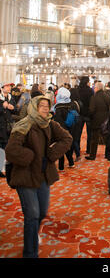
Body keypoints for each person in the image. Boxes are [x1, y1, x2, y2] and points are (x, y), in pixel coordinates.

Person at [5, 95, 72, 258]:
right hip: (25, 176)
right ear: (34, 107)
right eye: (41, 105)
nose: (44, 108)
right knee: (32, 214)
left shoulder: (49, 124)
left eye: (46, 105)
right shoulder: (24, 125)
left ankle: (33, 233)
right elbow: (11, 150)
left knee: (42, 212)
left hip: (43, 176)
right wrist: (31, 156)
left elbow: (67, 138)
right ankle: (30, 253)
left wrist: (52, 153)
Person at [53, 87, 80, 169]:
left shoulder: (57, 107)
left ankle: (61, 166)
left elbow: (58, 120)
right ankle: (71, 162)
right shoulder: (71, 104)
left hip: (61, 129)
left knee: (60, 146)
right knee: (68, 146)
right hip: (70, 128)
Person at [87, 82, 110, 160]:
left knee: (94, 139)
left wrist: (90, 117)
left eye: (94, 88)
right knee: (107, 139)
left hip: (96, 121)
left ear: (97, 88)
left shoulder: (93, 97)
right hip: (105, 121)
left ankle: (92, 155)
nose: (94, 89)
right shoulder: (107, 96)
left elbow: (91, 110)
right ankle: (108, 155)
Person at [0, 83, 17, 177]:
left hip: (9, 126)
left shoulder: (11, 97)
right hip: (0, 126)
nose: (10, 88)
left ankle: (5, 167)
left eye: (10, 86)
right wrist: (4, 107)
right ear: (2, 88)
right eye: (7, 86)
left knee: (7, 146)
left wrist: (13, 108)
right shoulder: (0, 98)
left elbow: (16, 110)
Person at [78, 76, 94, 155]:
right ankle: (88, 150)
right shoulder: (90, 90)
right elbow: (92, 102)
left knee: (78, 132)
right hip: (88, 114)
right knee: (89, 133)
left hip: (80, 113)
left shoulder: (78, 90)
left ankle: (77, 149)